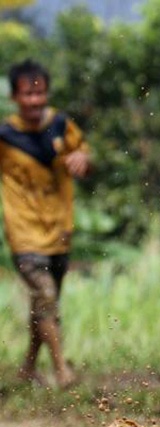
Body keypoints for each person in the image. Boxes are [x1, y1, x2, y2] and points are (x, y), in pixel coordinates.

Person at [0, 59, 90, 389]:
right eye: (28, 94)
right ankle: (62, 370)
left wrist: (83, 159)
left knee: (45, 305)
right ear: (15, 97)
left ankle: (26, 369)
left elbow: (86, 160)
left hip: (59, 231)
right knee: (46, 296)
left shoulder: (62, 126)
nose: (35, 101)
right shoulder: (5, 136)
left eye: (40, 94)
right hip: (24, 233)